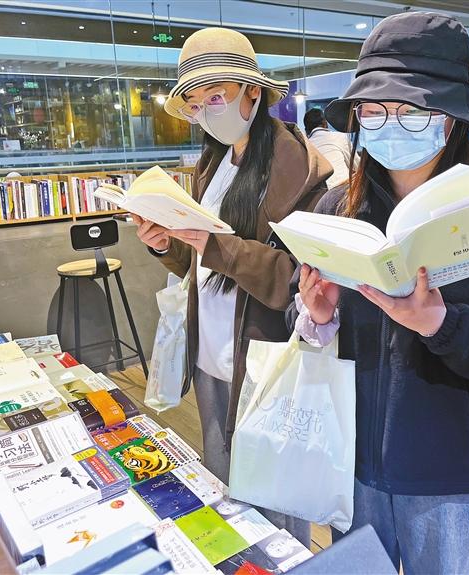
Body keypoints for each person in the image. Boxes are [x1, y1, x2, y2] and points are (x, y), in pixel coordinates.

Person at [288, 12, 469, 574]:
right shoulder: (337, 208)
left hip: (448, 473)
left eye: (411, 110)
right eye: (374, 110)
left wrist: (440, 323)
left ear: (451, 117)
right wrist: (318, 316)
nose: (390, 123)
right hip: (351, 460)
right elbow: (308, 322)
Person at [133, 27, 331, 546]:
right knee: (227, 488)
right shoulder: (213, 164)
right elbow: (201, 263)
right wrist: (164, 243)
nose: (206, 112)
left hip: (265, 362)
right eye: (196, 105)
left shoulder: (297, 167)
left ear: (253, 92)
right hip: (212, 357)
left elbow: (298, 279)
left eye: (215, 97)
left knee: (277, 502)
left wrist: (214, 244)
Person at [304, 107, 352, 188]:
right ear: (325, 123)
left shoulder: (306, 146)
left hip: (320, 193)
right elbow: (355, 164)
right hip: (343, 188)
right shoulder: (340, 137)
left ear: (306, 131)